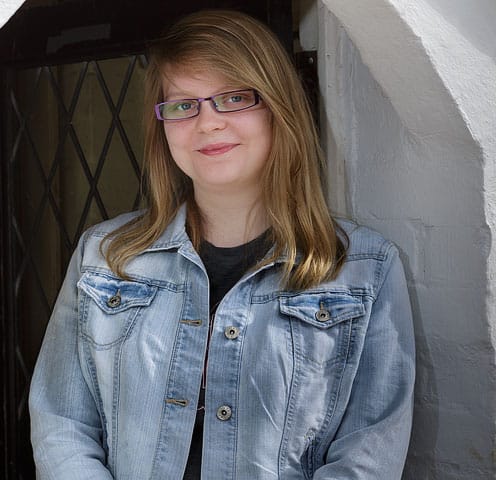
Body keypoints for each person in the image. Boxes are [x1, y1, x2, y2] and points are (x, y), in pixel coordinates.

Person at [29, 9, 415, 480]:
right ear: (163, 126)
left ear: (278, 108)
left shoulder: (363, 269)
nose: (207, 122)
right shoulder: (104, 257)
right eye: (183, 105)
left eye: (234, 98)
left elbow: (368, 457)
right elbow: (61, 422)